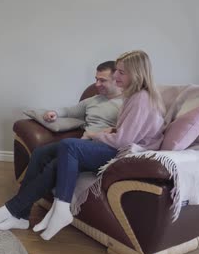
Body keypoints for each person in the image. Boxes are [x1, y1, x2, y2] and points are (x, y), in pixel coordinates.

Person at [0, 61, 123, 231]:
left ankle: (10, 210)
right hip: (80, 145)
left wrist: (109, 131)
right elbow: (70, 110)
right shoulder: (94, 100)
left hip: (99, 149)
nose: (97, 84)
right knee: (39, 154)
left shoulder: (127, 104)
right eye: (96, 79)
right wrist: (55, 113)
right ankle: (21, 216)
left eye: (102, 80)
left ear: (117, 79)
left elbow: (127, 132)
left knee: (56, 164)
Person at [36, 50, 165, 240]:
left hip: (130, 153)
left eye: (121, 72)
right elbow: (127, 130)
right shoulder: (134, 96)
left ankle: (61, 207)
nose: (116, 76)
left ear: (136, 73)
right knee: (60, 153)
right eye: (116, 71)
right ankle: (57, 209)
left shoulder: (141, 99)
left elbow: (123, 141)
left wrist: (94, 135)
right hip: (124, 145)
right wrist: (109, 131)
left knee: (69, 146)